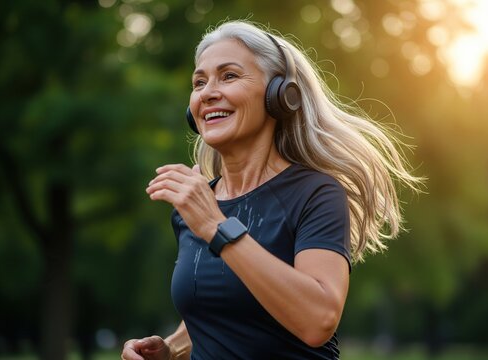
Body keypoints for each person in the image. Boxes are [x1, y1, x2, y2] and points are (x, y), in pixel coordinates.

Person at [121, 20, 421, 360]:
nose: (207, 93)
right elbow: (230, 300)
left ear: (279, 94)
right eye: (199, 82)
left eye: (229, 76)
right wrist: (172, 347)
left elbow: (318, 320)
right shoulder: (197, 206)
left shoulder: (315, 193)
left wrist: (215, 227)